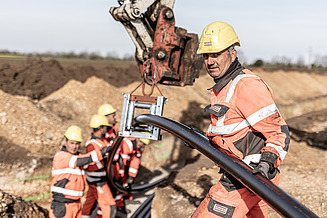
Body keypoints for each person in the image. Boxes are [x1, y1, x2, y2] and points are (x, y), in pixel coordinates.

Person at [192, 21, 290, 217]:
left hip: (247, 177)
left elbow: (279, 132)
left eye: (216, 54)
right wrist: (197, 138)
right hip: (245, 176)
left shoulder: (246, 86)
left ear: (232, 53)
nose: (210, 61)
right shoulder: (224, 86)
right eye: (206, 56)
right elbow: (233, 130)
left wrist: (266, 162)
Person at [49, 125, 110, 218]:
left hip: (76, 204)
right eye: (71, 143)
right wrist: (101, 152)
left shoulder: (78, 155)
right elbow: (83, 160)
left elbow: (89, 165)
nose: (74, 147)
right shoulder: (61, 156)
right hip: (63, 205)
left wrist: (104, 160)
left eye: (77, 143)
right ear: (65, 141)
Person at [81, 115, 116, 218]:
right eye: (105, 127)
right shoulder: (92, 144)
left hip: (97, 180)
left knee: (89, 203)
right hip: (97, 181)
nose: (107, 129)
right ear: (101, 128)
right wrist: (105, 160)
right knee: (109, 206)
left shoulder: (100, 141)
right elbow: (92, 165)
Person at [115, 137, 150, 214]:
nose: (142, 145)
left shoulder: (140, 147)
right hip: (119, 165)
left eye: (144, 144)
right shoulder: (127, 145)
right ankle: (118, 205)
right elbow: (122, 163)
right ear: (137, 139)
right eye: (141, 143)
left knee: (127, 183)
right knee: (120, 185)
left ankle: (126, 198)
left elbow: (135, 161)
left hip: (126, 163)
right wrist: (120, 175)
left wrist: (131, 176)